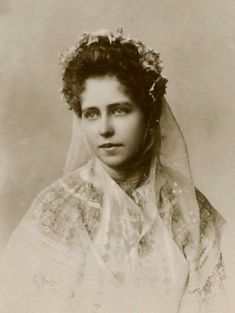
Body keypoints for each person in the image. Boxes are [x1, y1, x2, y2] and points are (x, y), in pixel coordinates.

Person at [0, 28, 229, 313]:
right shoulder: (57, 210)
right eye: (92, 114)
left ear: (149, 115)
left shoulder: (189, 212)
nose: (105, 129)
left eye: (120, 110)